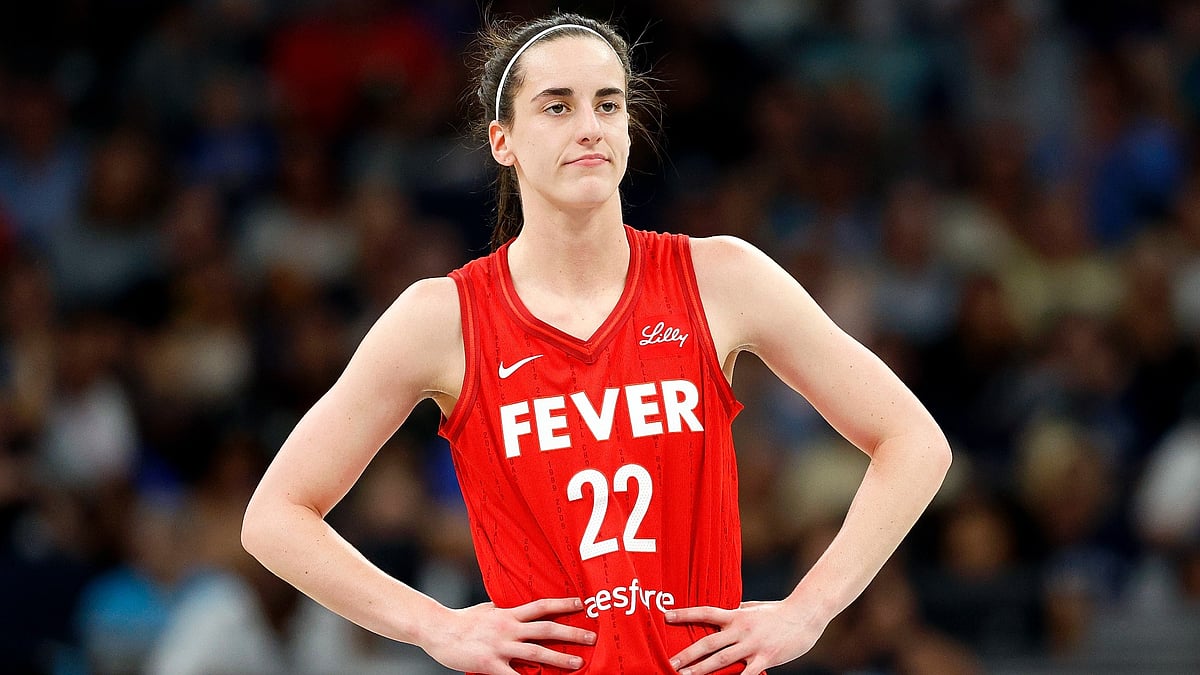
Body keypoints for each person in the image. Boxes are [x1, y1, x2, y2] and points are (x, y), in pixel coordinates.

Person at [241, 12, 952, 675]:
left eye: (608, 105)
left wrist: (810, 609)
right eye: (557, 107)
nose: (590, 127)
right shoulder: (444, 317)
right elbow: (275, 517)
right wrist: (433, 625)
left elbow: (915, 442)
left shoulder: (721, 277)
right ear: (502, 140)